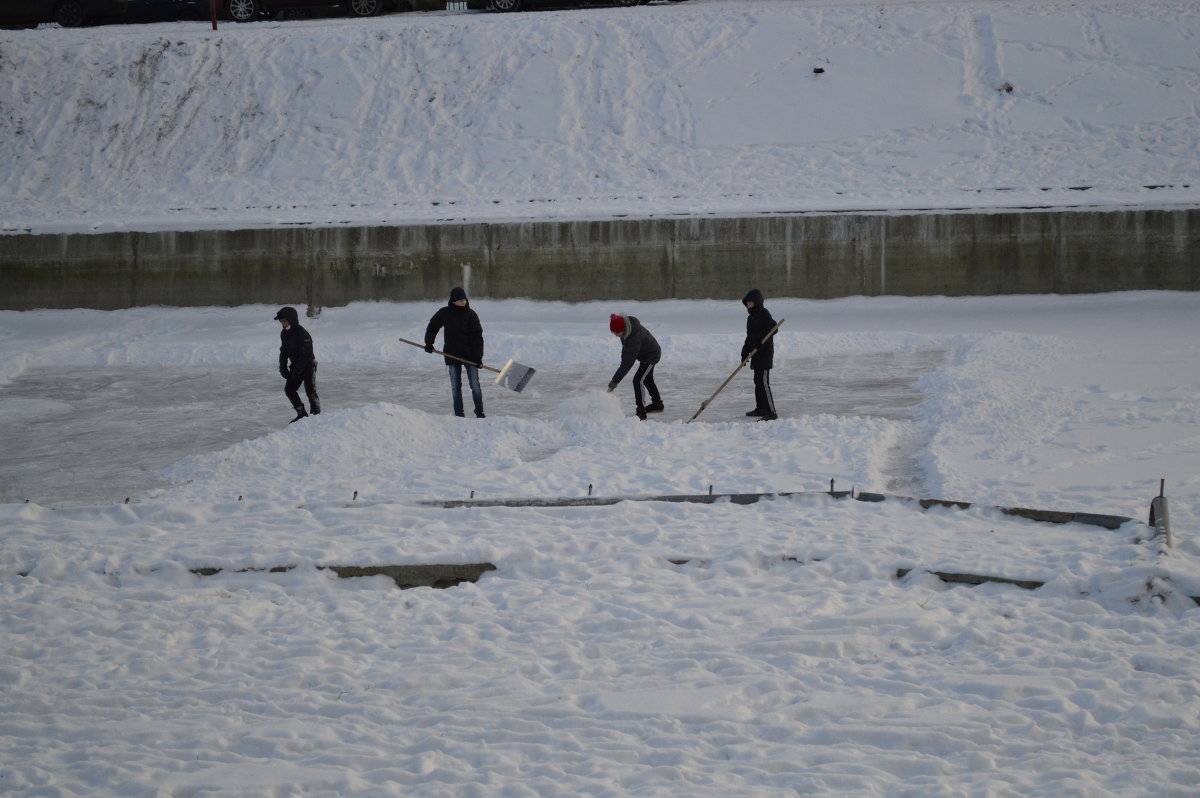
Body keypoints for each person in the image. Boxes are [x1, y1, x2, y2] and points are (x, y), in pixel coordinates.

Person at [424, 287, 486, 418]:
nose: (463, 302)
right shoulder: (444, 313)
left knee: (475, 385)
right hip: (451, 354)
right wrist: (429, 343)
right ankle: (459, 414)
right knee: (455, 386)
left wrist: (477, 357)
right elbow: (433, 326)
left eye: (464, 299)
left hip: (470, 357)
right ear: (453, 301)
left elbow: (477, 337)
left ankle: (480, 412)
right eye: (460, 300)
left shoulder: (471, 315)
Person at [607, 313, 663, 421]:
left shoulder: (634, 338)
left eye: (616, 332)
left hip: (651, 355)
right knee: (647, 380)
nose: (616, 335)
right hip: (645, 354)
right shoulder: (626, 330)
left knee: (638, 380)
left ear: (623, 328)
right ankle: (657, 404)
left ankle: (641, 412)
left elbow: (628, 363)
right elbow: (626, 353)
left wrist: (615, 381)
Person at [275, 306, 320, 424]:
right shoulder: (284, 333)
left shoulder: (302, 333)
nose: (282, 324)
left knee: (310, 391)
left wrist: (297, 372)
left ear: (291, 319)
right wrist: (283, 367)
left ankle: (316, 415)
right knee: (289, 389)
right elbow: (284, 351)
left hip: (309, 365)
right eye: (281, 322)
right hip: (296, 366)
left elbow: (305, 355)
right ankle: (301, 414)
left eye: (284, 321)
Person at [741, 288, 778, 420]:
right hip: (755, 354)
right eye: (747, 303)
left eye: (751, 303)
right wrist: (744, 353)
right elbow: (749, 337)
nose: (748, 305)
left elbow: (774, 328)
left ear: (757, 303)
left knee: (763, 382)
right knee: (757, 381)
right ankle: (761, 408)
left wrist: (759, 342)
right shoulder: (750, 318)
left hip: (764, 353)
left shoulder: (764, 313)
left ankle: (772, 412)